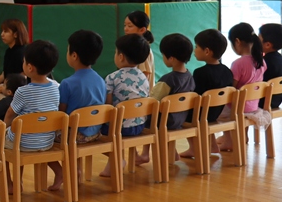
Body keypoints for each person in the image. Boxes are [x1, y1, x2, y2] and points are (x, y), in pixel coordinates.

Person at [3, 40, 62, 191]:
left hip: (23, 143)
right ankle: (59, 171)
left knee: (1, 144)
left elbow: (10, 113)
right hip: (47, 140)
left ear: (29, 68)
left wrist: (4, 128)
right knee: (35, 139)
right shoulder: (57, 87)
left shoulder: (23, 91)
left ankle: (13, 183)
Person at [135, 33, 195, 166]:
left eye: (163, 55)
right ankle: (172, 152)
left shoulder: (168, 79)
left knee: (146, 117)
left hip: (163, 122)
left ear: (171, 58)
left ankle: (145, 154)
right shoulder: (189, 76)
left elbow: (153, 100)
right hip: (180, 119)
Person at [101, 34, 151, 176]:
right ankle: (116, 162)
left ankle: (117, 159)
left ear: (121, 56)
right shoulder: (144, 77)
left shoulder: (112, 78)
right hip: (139, 125)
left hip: (119, 128)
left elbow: (108, 106)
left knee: (96, 130)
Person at [181, 29, 235, 159]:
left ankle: (193, 148)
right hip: (217, 112)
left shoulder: (200, 73)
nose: (194, 50)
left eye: (196, 47)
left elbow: (196, 97)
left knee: (181, 116)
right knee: (206, 111)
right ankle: (212, 145)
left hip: (201, 115)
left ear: (207, 51)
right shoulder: (227, 71)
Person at [217, 23, 268, 151]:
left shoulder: (238, 64)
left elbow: (232, 89)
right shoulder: (261, 61)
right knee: (241, 103)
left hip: (239, 106)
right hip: (253, 105)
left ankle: (228, 140)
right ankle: (243, 136)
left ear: (237, 42)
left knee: (218, 111)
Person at [58, 30, 107, 145]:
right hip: (95, 133)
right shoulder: (101, 80)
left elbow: (61, 114)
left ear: (74, 55)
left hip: (73, 136)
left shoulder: (67, 84)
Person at [0, 19, 29, 93]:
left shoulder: (21, 52)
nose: (2, 34)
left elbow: (21, 78)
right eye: (2, 31)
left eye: (6, 31)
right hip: (8, 87)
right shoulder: (9, 51)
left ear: (16, 34)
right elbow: (5, 73)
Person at [258, 23, 282, 113]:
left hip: (262, 102)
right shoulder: (281, 59)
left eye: (258, 38)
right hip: (276, 101)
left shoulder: (264, 62)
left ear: (267, 45)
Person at [124, 10, 156, 86]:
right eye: (125, 25)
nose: (126, 29)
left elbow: (145, 76)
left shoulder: (143, 50)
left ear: (142, 30)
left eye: (130, 26)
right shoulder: (135, 47)